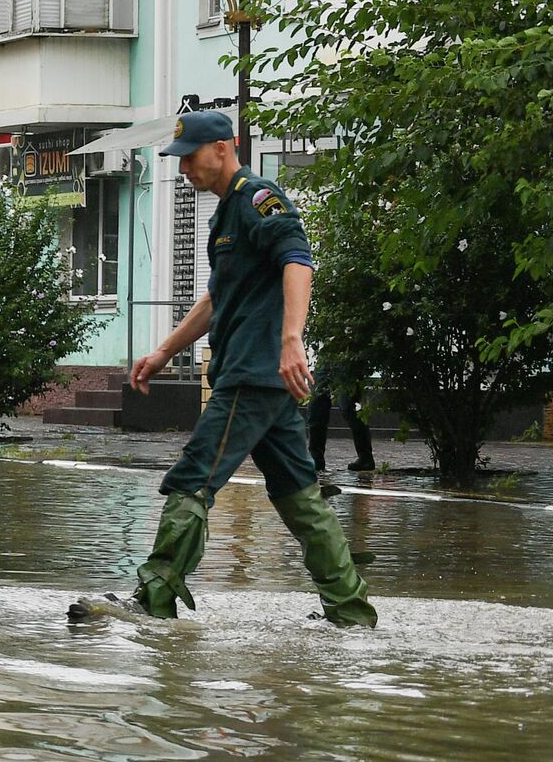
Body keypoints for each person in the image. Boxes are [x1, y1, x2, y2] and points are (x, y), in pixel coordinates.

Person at [71, 111, 377, 627]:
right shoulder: (224, 214)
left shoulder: (259, 199)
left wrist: (291, 339)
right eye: (179, 159)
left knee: (193, 477)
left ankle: (153, 599)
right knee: (300, 495)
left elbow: (298, 260)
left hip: (251, 377)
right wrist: (165, 350)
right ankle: (351, 614)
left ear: (222, 147)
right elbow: (219, 297)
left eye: (189, 156)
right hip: (263, 381)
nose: (184, 167)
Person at [305, 354, 376, 471]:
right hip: (326, 356)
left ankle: (365, 457)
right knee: (316, 406)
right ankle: (316, 458)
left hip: (349, 356)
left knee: (348, 407)